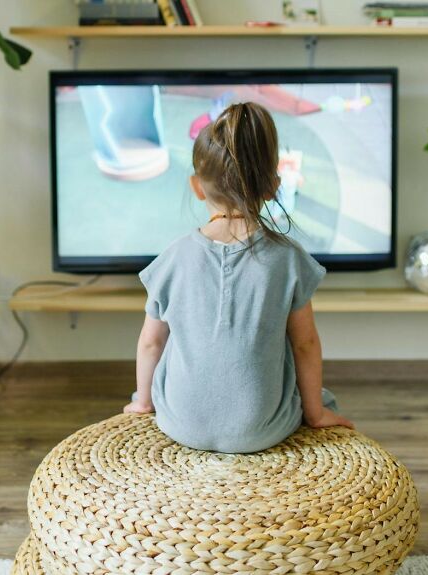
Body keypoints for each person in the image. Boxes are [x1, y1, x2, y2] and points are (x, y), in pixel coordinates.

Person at [123, 101, 353, 453]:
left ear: (198, 187)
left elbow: (151, 343)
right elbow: (305, 345)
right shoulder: (288, 259)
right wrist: (316, 413)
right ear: (273, 186)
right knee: (309, 382)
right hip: (262, 430)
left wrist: (142, 404)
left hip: (180, 423)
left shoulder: (172, 258)